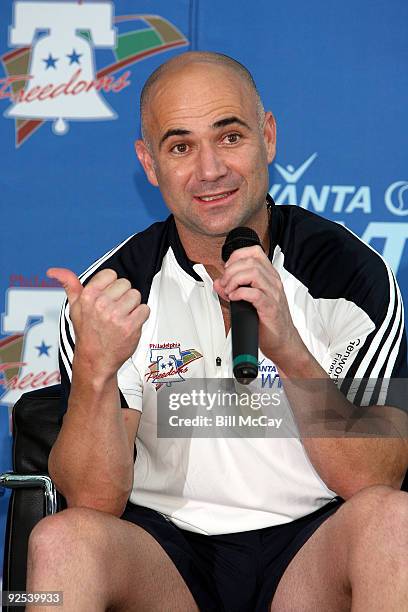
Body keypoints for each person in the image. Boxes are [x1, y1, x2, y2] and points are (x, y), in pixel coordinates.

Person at [26, 51, 408, 612]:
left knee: (394, 523)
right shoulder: (115, 291)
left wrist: (291, 352)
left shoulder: (347, 274)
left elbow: (377, 478)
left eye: (230, 137)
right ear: (149, 164)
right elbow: (92, 499)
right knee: (60, 541)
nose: (210, 170)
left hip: (311, 552)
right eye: (181, 147)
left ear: (269, 137)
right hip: (165, 559)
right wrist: (96, 375)